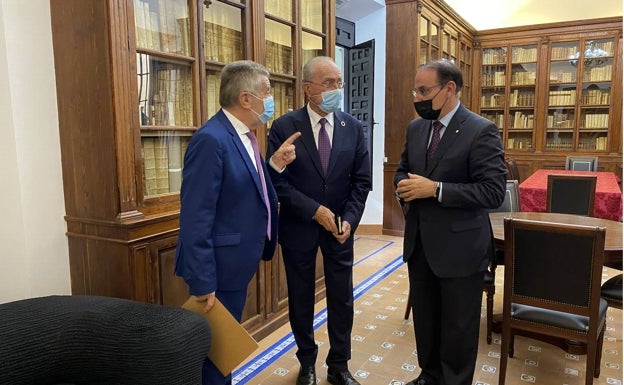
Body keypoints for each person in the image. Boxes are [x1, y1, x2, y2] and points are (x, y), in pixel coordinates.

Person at [175, 60, 300, 385]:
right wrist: (203, 282)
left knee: (223, 351)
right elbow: (195, 216)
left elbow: (248, 189)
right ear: (246, 99)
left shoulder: (244, 135)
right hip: (218, 268)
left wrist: (273, 165)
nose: (270, 99)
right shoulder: (212, 139)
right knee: (215, 355)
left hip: (236, 264)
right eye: (266, 92)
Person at [394, 60, 506, 385]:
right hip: (420, 245)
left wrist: (437, 190)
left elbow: (493, 191)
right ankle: (429, 375)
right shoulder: (416, 128)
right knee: (426, 322)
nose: (417, 97)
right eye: (415, 90)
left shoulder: (480, 130)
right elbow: (403, 169)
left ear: (449, 89)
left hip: (461, 249)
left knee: (458, 329)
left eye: (424, 90)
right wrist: (402, 187)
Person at [266, 56, 371, 385]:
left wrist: (350, 219)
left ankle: (339, 365)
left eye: (338, 83)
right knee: (301, 297)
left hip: (341, 229)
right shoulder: (284, 126)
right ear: (307, 88)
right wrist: (315, 211)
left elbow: (361, 181)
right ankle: (307, 362)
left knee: (342, 297)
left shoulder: (352, 128)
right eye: (328, 83)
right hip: (299, 226)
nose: (335, 89)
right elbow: (278, 182)